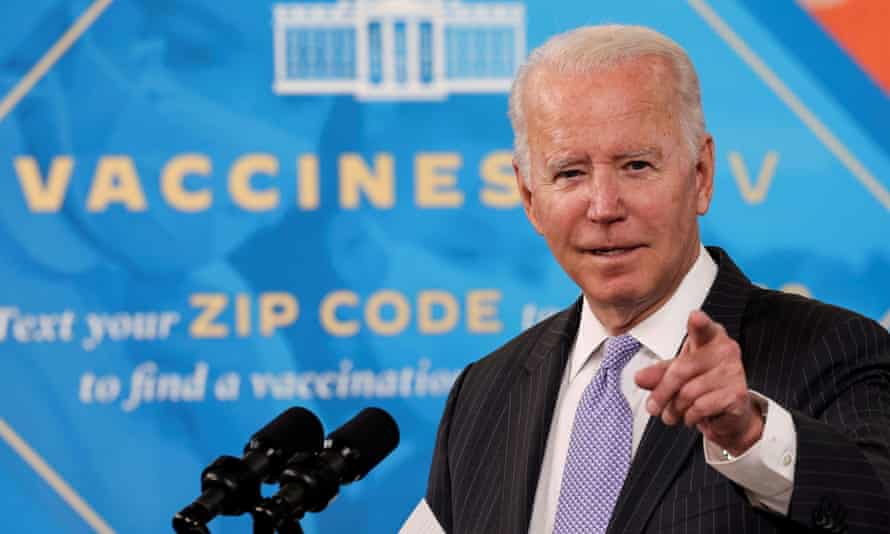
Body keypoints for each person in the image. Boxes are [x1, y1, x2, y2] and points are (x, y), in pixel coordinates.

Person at [423, 24, 890, 533]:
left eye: (637, 165)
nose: (603, 207)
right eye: (570, 173)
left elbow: (876, 509)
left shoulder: (836, 350)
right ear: (531, 197)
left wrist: (752, 434)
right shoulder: (484, 393)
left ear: (701, 175)